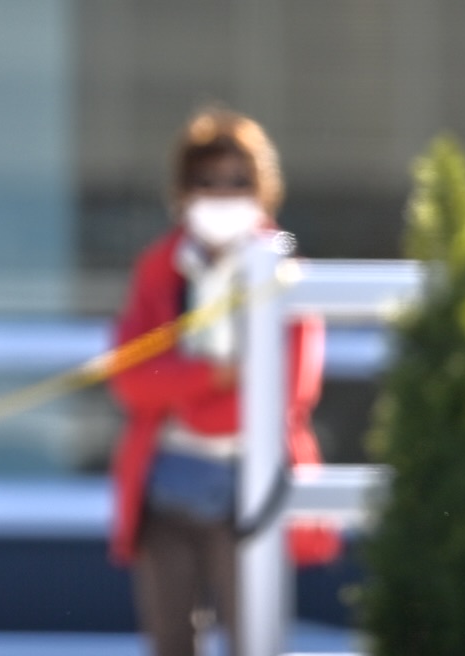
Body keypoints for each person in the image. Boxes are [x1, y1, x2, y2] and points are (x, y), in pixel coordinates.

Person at [108, 110, 340, 656]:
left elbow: (290, 392)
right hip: (167, 487)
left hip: (248, 485)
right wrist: (213, 376)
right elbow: (130, 380)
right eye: (207, 181)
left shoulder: (283, 272)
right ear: (183, 190)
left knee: (252, 639)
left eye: (238, 181)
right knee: (170, 640)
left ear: (263, 188)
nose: (222, 194)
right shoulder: (159, 267)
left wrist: (183, 388)